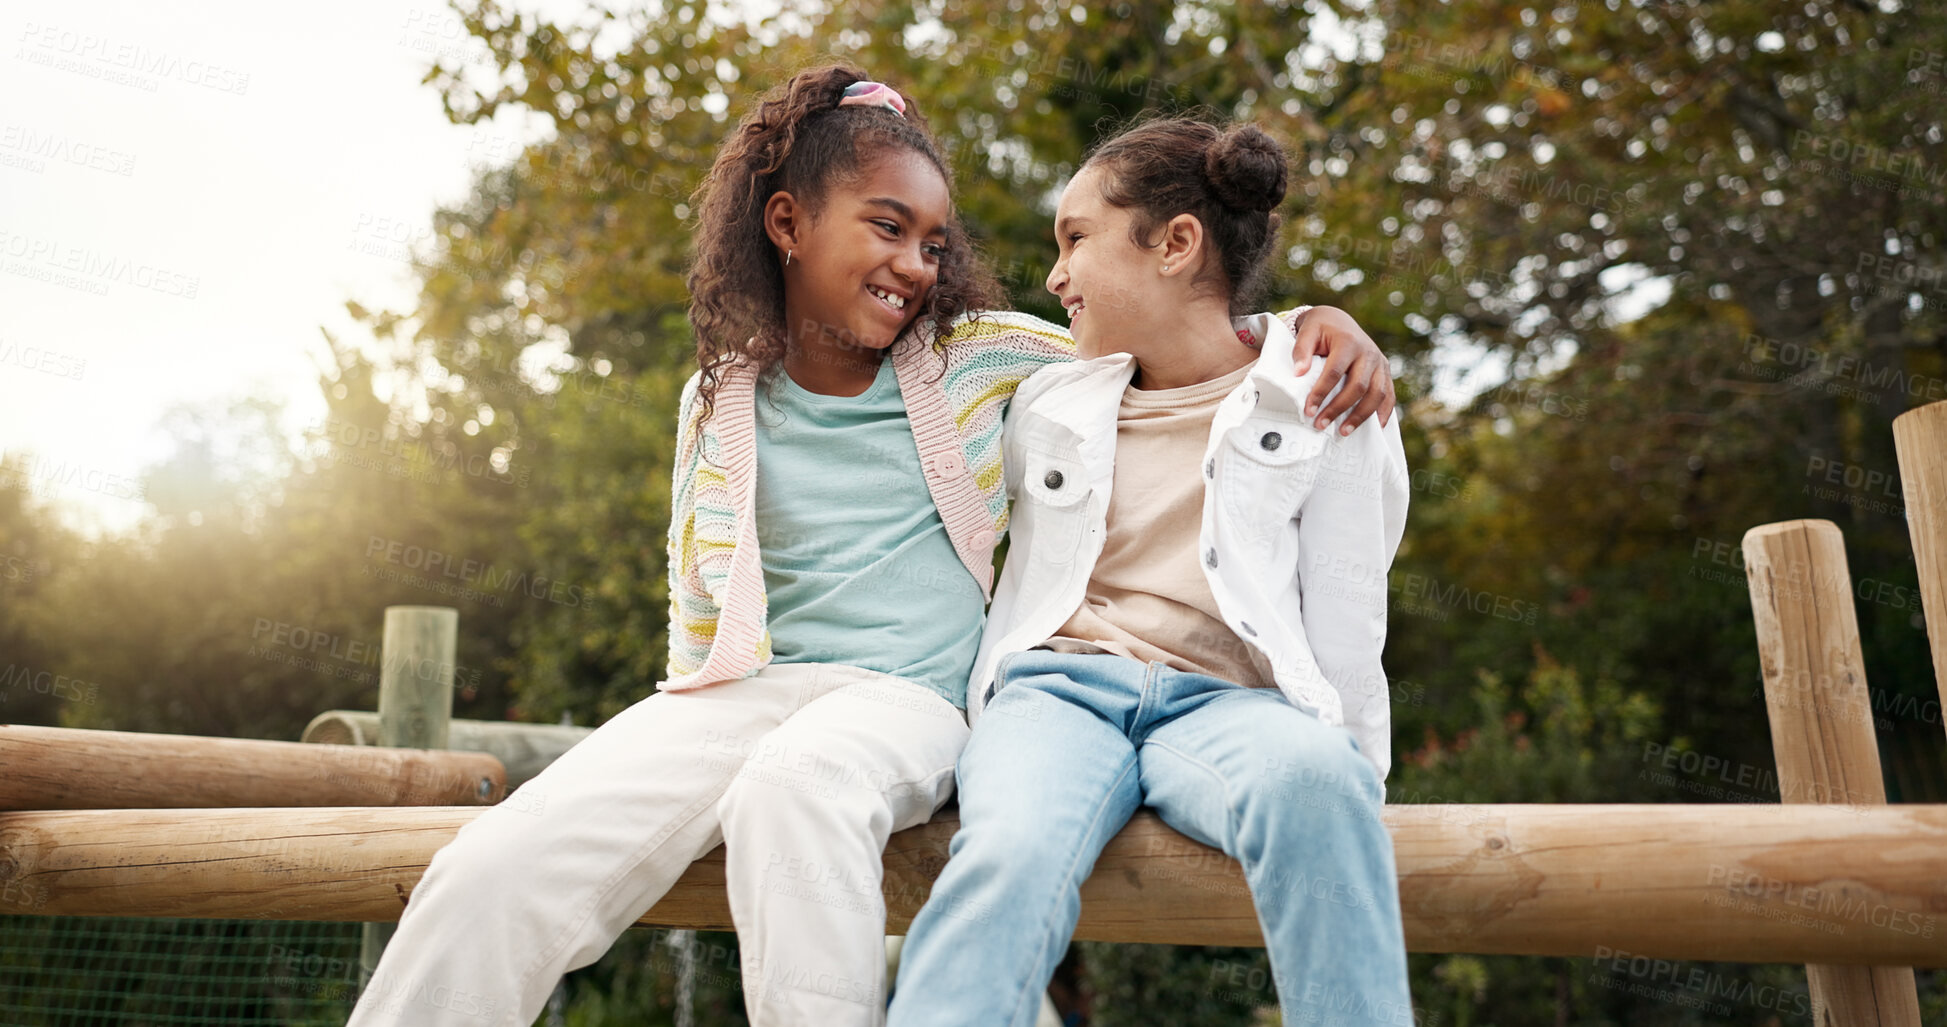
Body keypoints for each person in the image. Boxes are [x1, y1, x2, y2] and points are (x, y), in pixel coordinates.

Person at [348, 67, 1396, 1027]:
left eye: (935, 243)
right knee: (494, 864)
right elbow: (697, 601)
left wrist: (1316, 325)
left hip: (910, 699)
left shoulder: (989, 359)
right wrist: (675, 738)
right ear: (789, 222)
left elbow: (1167, 340)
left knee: (794, 786)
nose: (915, 263)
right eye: (889, 227)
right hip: (743, 691)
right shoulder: (718, 399)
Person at [887, 115, 1413, 1027]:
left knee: (1319, 782)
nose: (1054, 275)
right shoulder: (1046, 393)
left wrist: (1349, 771)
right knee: (1007, 853)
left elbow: (1347, 608)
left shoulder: (1326, 398)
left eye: (1075, 239)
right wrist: (1314, 318)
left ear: (1175, 245)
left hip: (1231, 707)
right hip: (1055, 694)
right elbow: (917, 360)